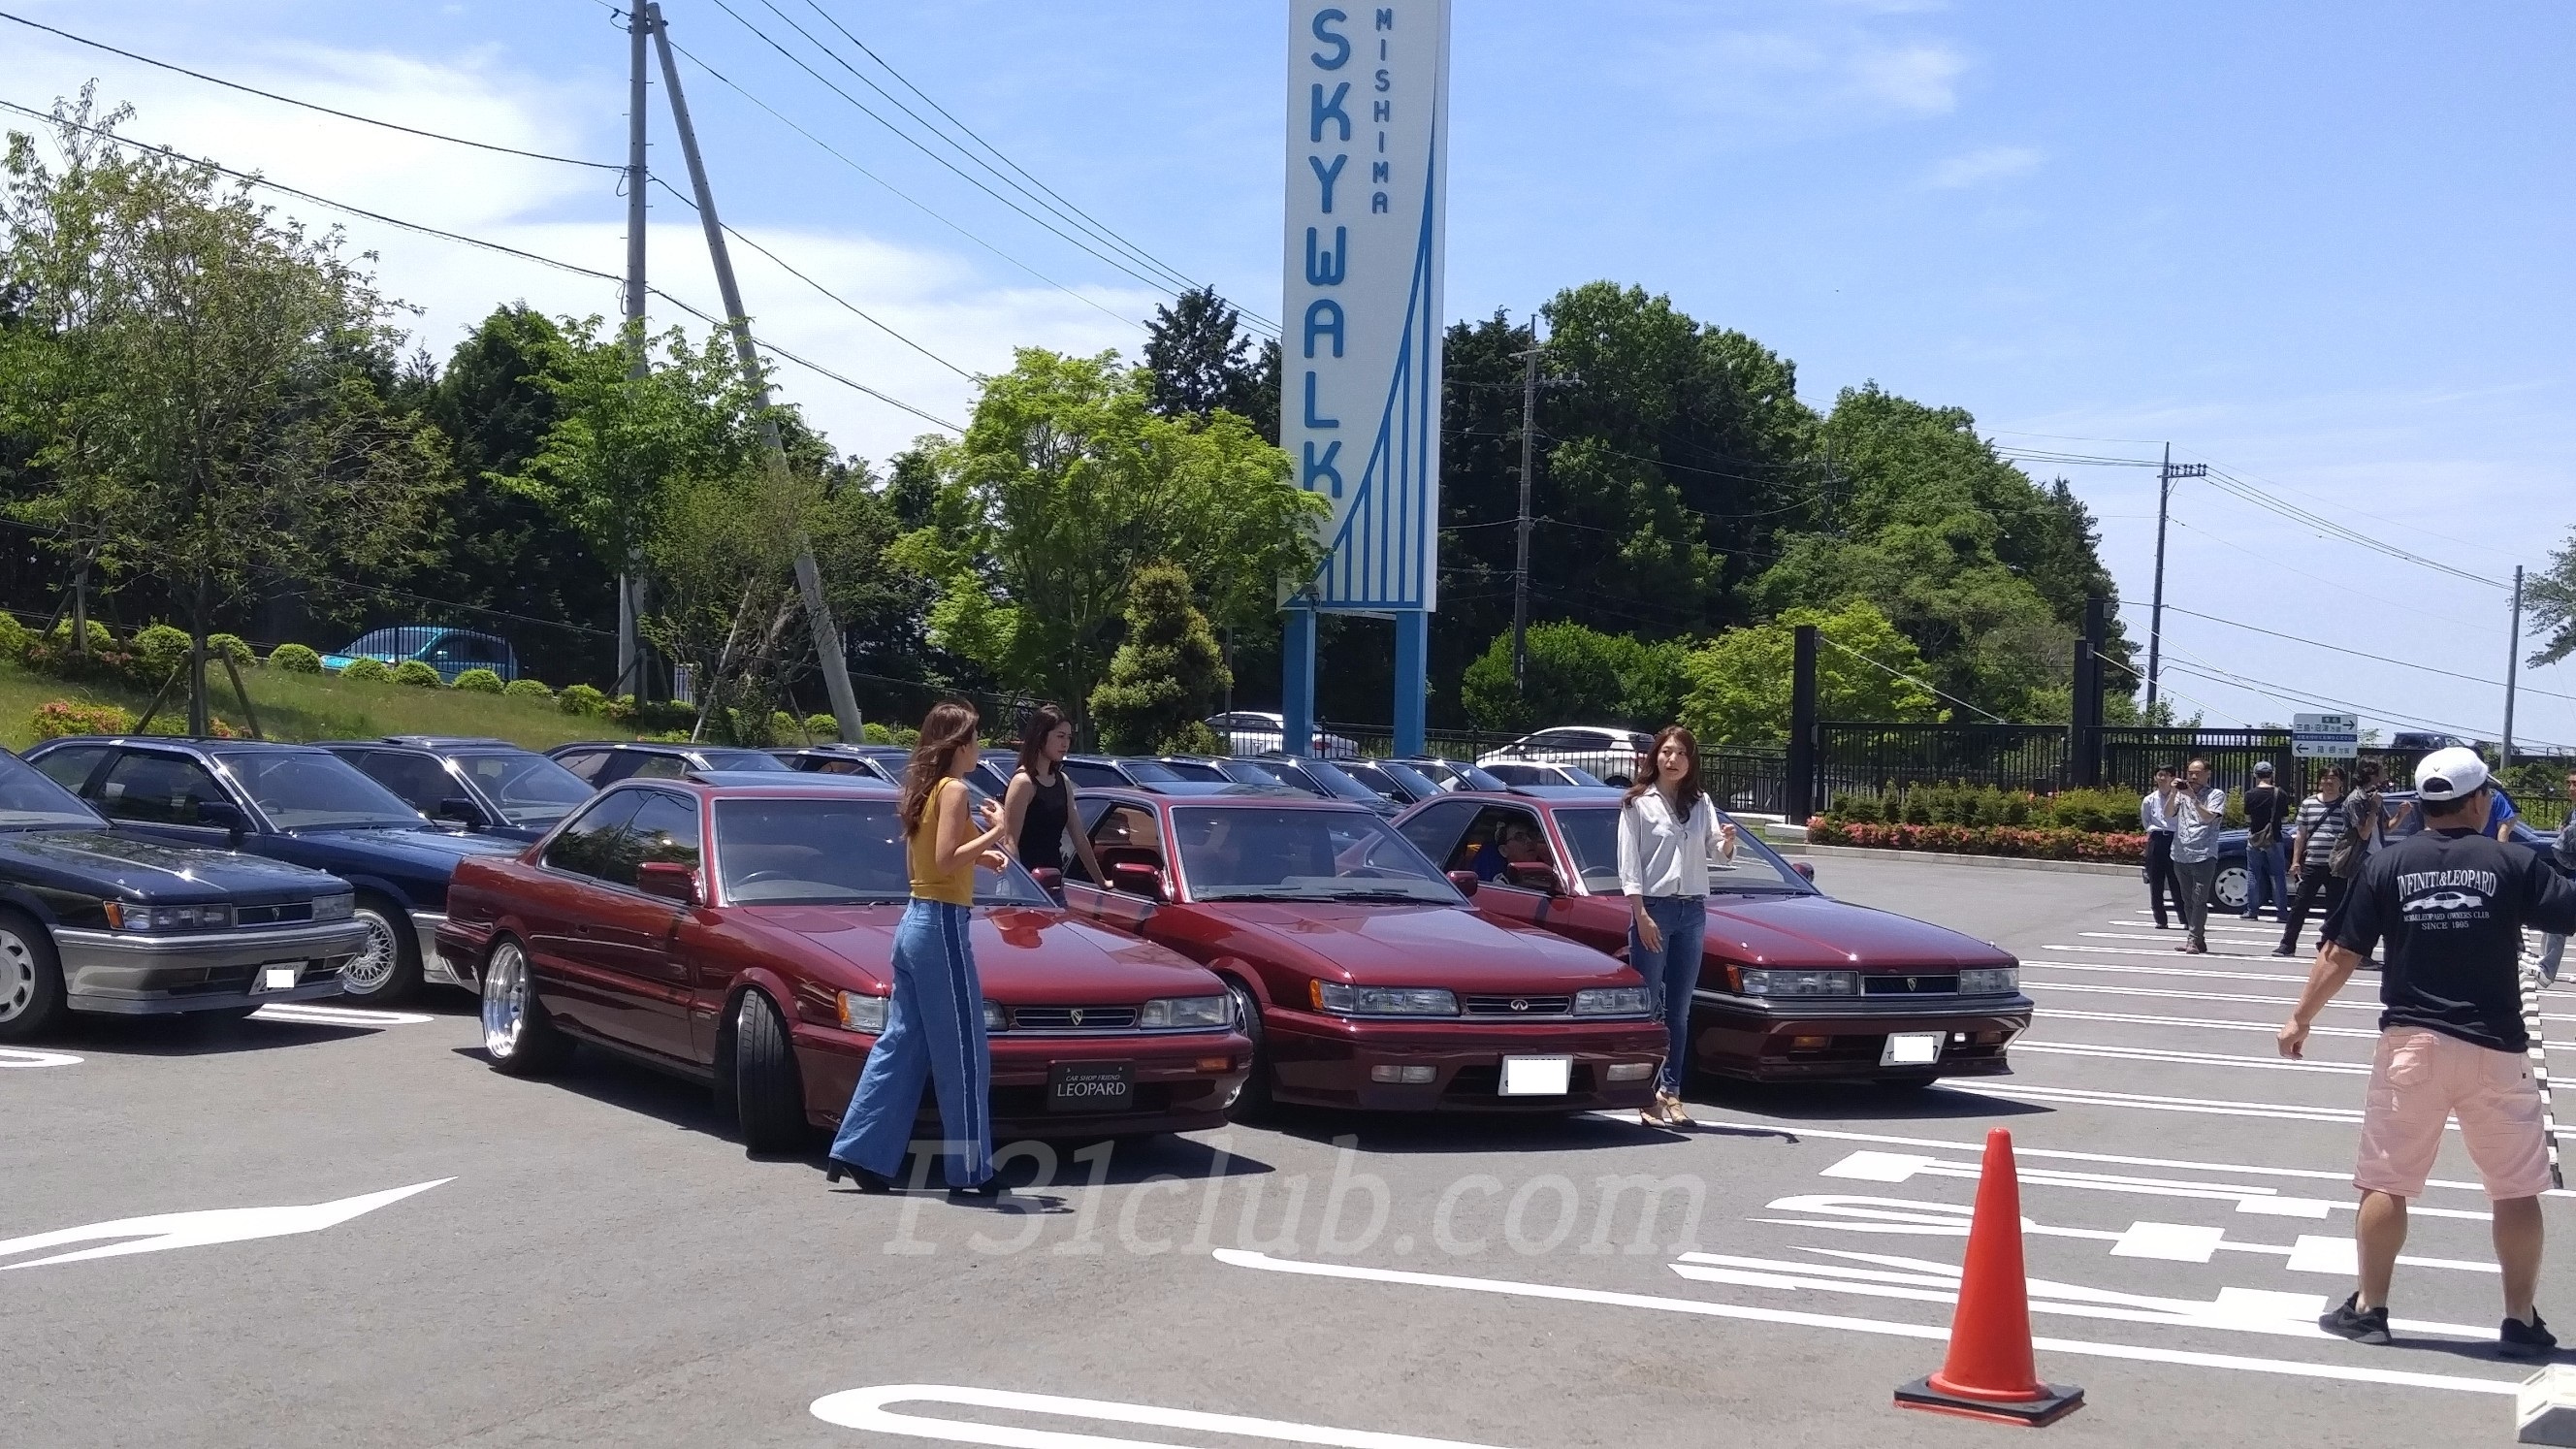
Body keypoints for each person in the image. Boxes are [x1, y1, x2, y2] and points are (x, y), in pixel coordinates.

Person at [2277, 748, 2576, 1356]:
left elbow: (2341, 953)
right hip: (2496, 1046)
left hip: (2411, 1044)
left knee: (2386, 1182)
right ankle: (2520, 1320)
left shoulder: (2388, 865)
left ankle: (2371, 1309)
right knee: (2515, 1189)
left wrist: (2300, 1019)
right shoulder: (2513, 861)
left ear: (2420, 804)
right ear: (2479, 800)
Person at [826, 700, 1013, 1199]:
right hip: (941, 927)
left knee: (903, 1042)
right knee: (965, 1052)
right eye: (974, 737)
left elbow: (928, 864)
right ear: (958, 745)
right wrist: (998, 830)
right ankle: (972, 1171)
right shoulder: (954, 790)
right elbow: (946, 858)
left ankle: (860, 1150)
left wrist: (985, 855)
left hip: (915, 921)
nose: (979, 746)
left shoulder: (925, 789)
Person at [1619, 724, 1719, 1130]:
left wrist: (1728, 842)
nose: (1672, 759)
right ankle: (1645, 1093)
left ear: (1691, 761)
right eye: (1666, 752)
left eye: (1681, 753)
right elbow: (1629, 864)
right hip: (1654, 910)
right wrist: (1640, 914)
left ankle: (1671, 1091)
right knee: (1651, 1007)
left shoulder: (1701, 802)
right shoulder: (1637, 803)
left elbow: (1717, 849)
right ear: (1655, 757)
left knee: (1679, 1010)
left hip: (1692, 910)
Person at [1000, 703, 1104, 892]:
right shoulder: (1023, 782)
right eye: (1060, 736)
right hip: (1023, 886)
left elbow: (1079, 838)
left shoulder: (1062, 780)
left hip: (1053, 885)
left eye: (1069, 737)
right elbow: (1010, 842)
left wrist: (1102, 882)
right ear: (1041, 737)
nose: (1065, 744)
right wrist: (1024, 889)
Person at [2275, 765, 2350, 957]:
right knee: (2300, 906)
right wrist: (2295, 861)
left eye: (2333, 779)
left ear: (2341, 782)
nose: (2328, 782)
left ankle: (2327, 944)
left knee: (2334, 908)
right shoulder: (2308, 803)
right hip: (2313, 862)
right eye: (2325, 778)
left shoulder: (2347, 805)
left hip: (2337, 865)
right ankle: (2287, 944)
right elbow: (2300, 835)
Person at [2169, 758, 2227, 954]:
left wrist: (2193, 797)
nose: (2193, 777)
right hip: (2180, 853)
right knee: (2187, 900)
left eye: (2198, 773)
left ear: (2207, 774)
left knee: (2199, 899)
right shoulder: (2181, 794)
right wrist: (2173, 792)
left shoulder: (2215, 794)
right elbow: (2168, 813)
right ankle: (2198, 940)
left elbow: (2208, 817)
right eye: (2190, 773)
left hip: (2204, 854)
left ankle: (2193, 939)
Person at [2241, 761, 2290, 922]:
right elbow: (2285, 818)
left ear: (2255, 775)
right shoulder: (2280, 793)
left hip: (2255, 838)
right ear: (2272, 774)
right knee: (2278, 875)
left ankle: (2252, 911)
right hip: (2274, 838)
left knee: (2253, 874)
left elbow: (2247, 818)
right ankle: (2282, 912)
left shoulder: (2250, 794)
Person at [2543, 770, 2576, 985]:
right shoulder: (2572, 812)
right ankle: (2546, 966)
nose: (2571, 788)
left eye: (2575, 784)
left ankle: (2547, 967)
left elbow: (2562, 845)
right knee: (2555, 917)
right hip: (2570, 875)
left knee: (2557, 918)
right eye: (2569, 783)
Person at [2140, 766, 2183, 928]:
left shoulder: (2181, 798)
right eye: (2160, 775)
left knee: (2176, 881)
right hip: (2157, 840)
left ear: (2173, 778)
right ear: (2155, 778)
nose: (2163, 778)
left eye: (2167, 775)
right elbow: (2146, 822)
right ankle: (2160, 919)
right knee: (2156, 881)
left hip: (2175, 839)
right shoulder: (2149, 800)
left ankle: (2184, 918)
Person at [1477, 818, 1547, 883]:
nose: (1529, 841)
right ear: (1504, 851)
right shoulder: (1501, 885)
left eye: (1532, 834)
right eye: (1519, 837)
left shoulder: (1550, 869)